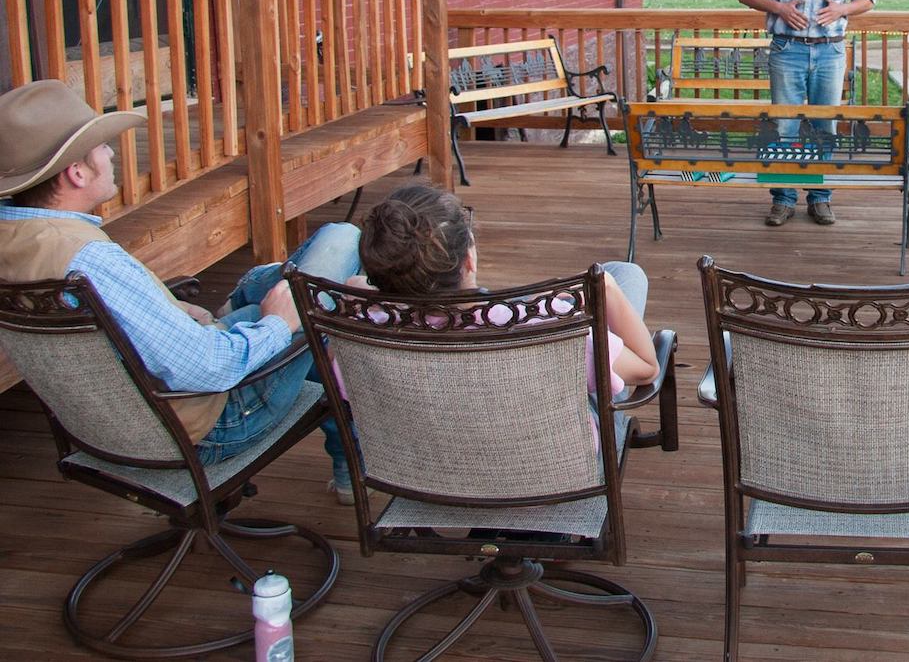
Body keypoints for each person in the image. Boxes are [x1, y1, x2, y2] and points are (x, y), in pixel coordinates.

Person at [0, 79, 360, 496]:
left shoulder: (20, 240)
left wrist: (164, 306)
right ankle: (349, 461)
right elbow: (209, 369)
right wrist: (280, 325)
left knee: (312, 273)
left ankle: (255, 297)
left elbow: (111, 330)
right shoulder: (87, 260)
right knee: (328, 286)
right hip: (204, 423)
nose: (112, 153)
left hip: (103, 426)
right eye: (101, 147)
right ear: (77, 173)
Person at [356, 183, 658, 400]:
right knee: (624, 275)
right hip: (556, 475)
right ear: (469, 260)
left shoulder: (358, 330)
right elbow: (646, 368)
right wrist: (606, 288)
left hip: (423, 473)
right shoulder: (550, 327)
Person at [736, 0, 876, 228]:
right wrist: (778, 8)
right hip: (787, 49)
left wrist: (843, 8)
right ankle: (783, 199)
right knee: (784, 125)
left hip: (829, 52)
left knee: (823, 126)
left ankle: (819, 198)